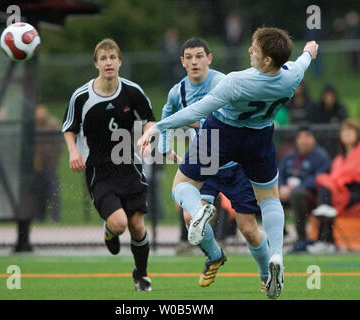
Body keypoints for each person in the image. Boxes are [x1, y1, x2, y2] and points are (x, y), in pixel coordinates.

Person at [139, 27, 319, 299]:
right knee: (269, 198)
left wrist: (159, 128)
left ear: (267, 59)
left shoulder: (235, 81)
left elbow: (200, 109)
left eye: (254, 48)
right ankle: (277, 255)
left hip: (223, 134)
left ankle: (198, 209)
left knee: (182, 184)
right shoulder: (292, 75)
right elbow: (304, 59)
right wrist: (309, 51)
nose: (249, 50)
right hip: (259, 137)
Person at [159, 38, 269, 290]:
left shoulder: (223, 82)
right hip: (206, 163)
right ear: (182, 62)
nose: (194, 61)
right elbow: (167, 118)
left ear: (209, 58)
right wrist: (165, 148)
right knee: (190, 216)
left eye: (199, 56)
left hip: (235, 163)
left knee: (248, 228)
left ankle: (266, 275)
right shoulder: (178, 92)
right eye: (189, 57)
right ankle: (215, 255)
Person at [61, 38, 156, 292]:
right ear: (96, 64)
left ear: (120, 61)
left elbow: (150, 120)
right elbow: (69, 128)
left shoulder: (132, 91)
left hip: (128, 162)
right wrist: (73, 152)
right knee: (120, 223)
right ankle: (109, 230)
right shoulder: (82, 96)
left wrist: (147, 137)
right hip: (100, 168)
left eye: (112, 57)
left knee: (137, 226)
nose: (108, 62)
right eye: (103, 58)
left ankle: (142, 276)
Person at [307, 120, 360, 254]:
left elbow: (352, 175)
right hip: (338, 192)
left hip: (354, 191)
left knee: (327, 188)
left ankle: (324, 240)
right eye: (344, 131)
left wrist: (337, 183)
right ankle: (325, 240)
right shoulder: (338, 159)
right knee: (327, 193)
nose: (347, 134)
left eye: (350, 130)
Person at [278, 126, 331, 253]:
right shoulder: (289, 156)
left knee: (297, 194)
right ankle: (279, 234)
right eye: (300, 137)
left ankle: (301, 239)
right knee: (267, 195)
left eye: (307, 137)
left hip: (312, 195)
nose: (304, 141)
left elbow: (320, 177)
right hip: (287, 193)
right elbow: (279, 173)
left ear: (313, 139)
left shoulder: (321, 157)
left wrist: (294, 189)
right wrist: (281, 188)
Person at [34, 104, 62, 222]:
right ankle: (38, 217)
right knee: (37, 192)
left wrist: (49, 159)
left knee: (53, 191)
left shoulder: (53, 124)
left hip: (50, 164)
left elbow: (58, 146)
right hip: (35, 166)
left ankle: (54, 218)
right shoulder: (32, 125)